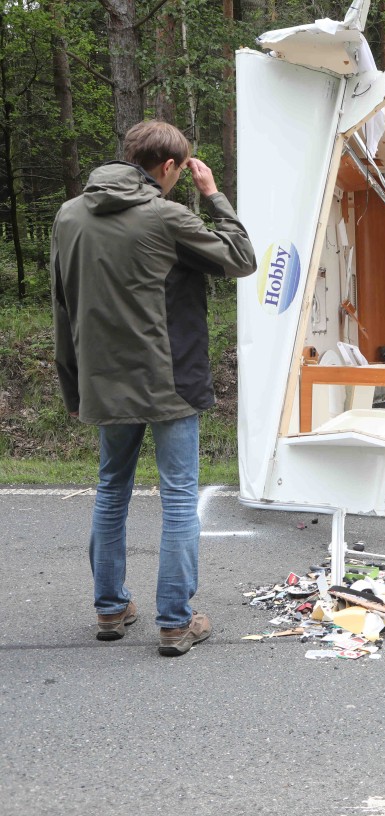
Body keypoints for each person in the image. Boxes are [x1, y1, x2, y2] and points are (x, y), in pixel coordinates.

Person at [51, 120, 257, 657]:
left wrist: (71, 381)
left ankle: (110, 607)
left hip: (104, 379)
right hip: (169, 382)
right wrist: (214, 197)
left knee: (112, 490)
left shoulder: (69, 215)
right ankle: (174, 621)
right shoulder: (166, 215)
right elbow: (240, 260)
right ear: (169, 168)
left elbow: (61, 305)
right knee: (179, 499)